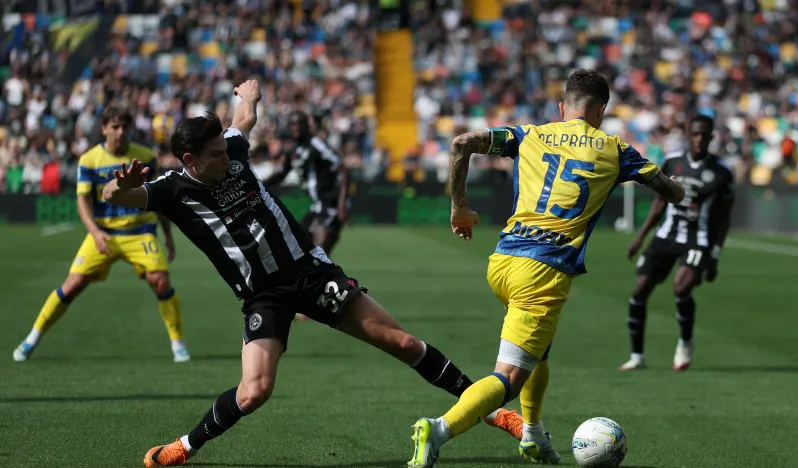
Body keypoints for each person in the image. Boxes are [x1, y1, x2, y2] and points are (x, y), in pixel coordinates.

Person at [100, 80, 524, 467]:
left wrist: (248, 96)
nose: (226, 158)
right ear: (190, 160)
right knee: (254, 391)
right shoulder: (173, 189)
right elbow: (111, 194)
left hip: (311, 273)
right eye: (215, 155)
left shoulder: (231, 150)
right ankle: (184, 447)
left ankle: (493, 411)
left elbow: (243, 120)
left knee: (403, 342)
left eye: (225, 149)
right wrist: (122, 184)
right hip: (262, 296)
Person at [405, 69, 686, 468]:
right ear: (602, 110)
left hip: (503, 261)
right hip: (543, 271)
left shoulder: (530, 134)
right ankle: (438, 429)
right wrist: (678, 184)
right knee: (508, 378)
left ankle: (533, 434)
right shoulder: (616, 149)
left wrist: (459, 207)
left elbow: (461, 143)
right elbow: (672, 193)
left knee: (539, 351)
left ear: (562, 107)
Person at [13, 104, 189, 363]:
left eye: (125, 127)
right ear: (104, 128)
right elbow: (82, 200)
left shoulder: (145, 157)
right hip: (103, 232)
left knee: (161, 281)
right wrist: (95, 233)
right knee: (72, 285)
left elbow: (157, 199)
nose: (120, 132)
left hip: (139, 232)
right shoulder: (89, 159)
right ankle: (32, 338)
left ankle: (178, 343)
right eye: (114, 126)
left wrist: (168, 236)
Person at [620, 114, 734, 372]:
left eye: (704, 134)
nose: (699, 139)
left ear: (711, 137)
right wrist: (640, 238)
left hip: (698, 238)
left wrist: (715, 255)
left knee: (681, 288)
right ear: (688, 134)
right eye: (695, 134)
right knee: (639, 292)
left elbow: (724, 216)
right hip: (667, 235)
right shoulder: (672, 161)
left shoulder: (722, 171)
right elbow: (660, 202)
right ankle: (637, 356)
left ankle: (685, 342)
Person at [265, 110, 349, 256]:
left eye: (300, 124)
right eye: (293, 124)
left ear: (308, 126)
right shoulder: (294, 149)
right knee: (298, 248)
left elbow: (343, 171)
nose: (296, 127)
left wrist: (342, 204)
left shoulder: (316, 144)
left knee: (320, 254)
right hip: (316, 207)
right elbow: (282, 173)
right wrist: (257, 184)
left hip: (330, 205)